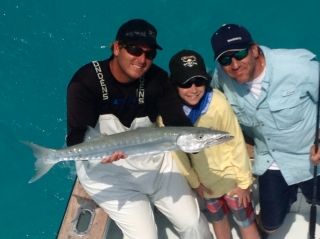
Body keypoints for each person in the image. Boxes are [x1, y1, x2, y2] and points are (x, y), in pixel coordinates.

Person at [66, 19, 213, 239]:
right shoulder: (85, 82)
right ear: (116, 48)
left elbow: (178, 124)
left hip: (155, 164)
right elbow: (76, 137)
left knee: (194, 225)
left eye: (149, 53)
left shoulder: (158, 79)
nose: (142, 59)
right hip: (107, 172)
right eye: (134, 49)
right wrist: (100, 151)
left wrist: (197, 144)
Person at [211, 23, 320, 238]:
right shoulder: (222, 77)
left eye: (239, 54)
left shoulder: (299, 67)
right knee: (270, 225)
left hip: (309, 157)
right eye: (225, 59)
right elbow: (213, 105)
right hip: (270, 159)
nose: (234, 65)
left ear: (254, 49)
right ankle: (285, 199)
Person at [162, 49, 259, 239]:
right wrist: (195, 183)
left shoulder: (218, 104)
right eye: (185, 83)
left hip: (233, 181)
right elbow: (178, 155)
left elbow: (236, 143)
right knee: (218, 221)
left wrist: (244, 182)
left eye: (199, 82)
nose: (193, 88)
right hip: (206, 186)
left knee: (245, 222)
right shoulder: (168, 115)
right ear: (174, 84)